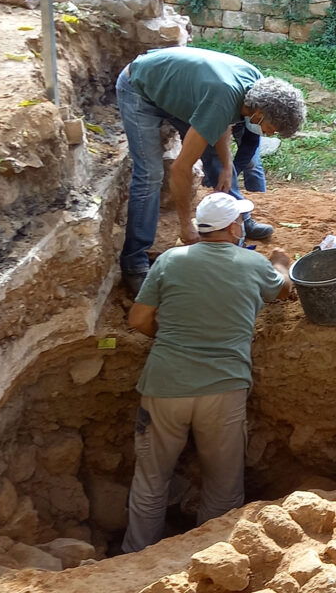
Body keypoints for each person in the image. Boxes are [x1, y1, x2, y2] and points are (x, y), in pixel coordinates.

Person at [121, 192, 294, 553]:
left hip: (165, 385)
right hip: (223, 388)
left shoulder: (170, 260)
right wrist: (280, 262)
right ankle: (211, 564)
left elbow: (137, 319)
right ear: (233, 227)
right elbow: (283, 291)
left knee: (152, 481)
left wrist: (169, 335)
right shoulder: (252, 263)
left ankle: (134, 558)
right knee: (223, 487)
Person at [115, 46, 306, 295]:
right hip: (139, 88)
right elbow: (180, 169)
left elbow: (224, 120)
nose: (269, 134)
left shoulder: (256, 88)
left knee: (217, 160)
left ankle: (239, 220)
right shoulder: (225, 97)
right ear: (259, 113)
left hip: (183, 92)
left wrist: (228, 165)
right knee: (149, 174)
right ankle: (135, 262)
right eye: (272, 128)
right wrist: (186, 225)